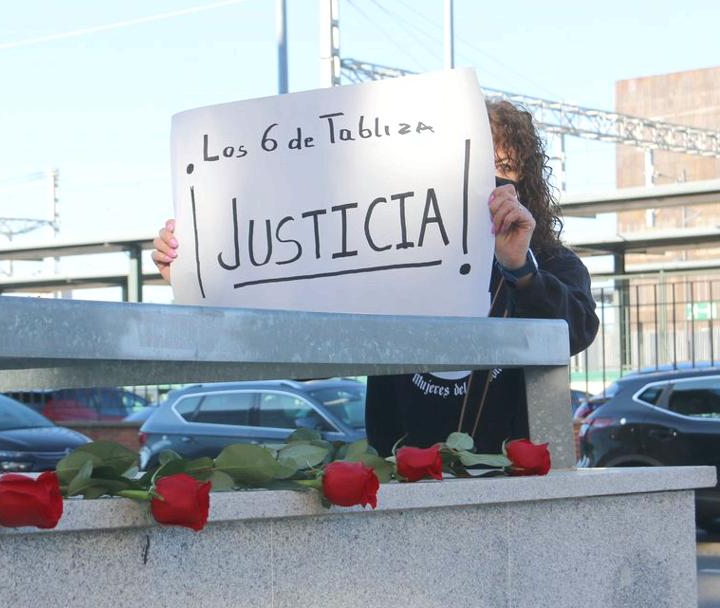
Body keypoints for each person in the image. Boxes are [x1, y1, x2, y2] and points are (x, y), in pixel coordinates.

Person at [152, 100, 599, 456]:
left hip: (511, 485)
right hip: (402, 479)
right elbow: (305, 333)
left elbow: (575, 331)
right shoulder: (386, 257)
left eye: (499, 169)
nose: (481, 184)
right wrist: (203, 273)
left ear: (526, 186)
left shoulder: (552, 262)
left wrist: (520, 268)